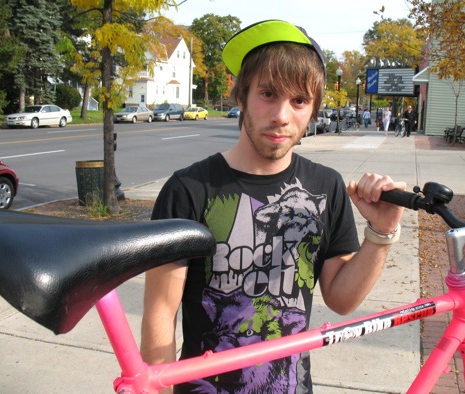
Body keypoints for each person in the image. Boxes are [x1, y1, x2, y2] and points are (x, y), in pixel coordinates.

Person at [141, 20, 405, 394]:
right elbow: (159, 315)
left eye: (299, 100)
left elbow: (341, 300)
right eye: (268, 93)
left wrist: (380, 235)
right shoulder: (188, 190)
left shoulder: (325, 187)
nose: (282, 115)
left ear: (313, 111)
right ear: (241, 96)